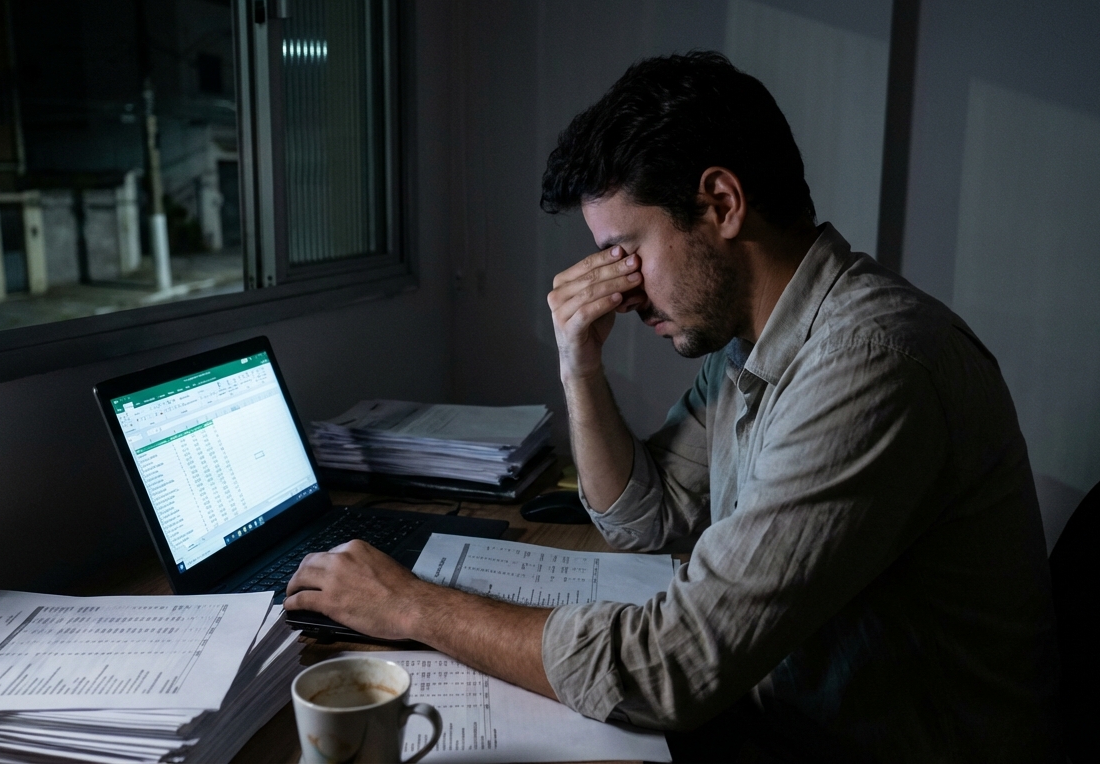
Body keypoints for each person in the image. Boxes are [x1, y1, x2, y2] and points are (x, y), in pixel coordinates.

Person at [285, 51, 1059, 762]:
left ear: (721, 203)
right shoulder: (750, 345)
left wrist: (414, 608)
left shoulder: (870, 366)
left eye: (627, 251)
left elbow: (670, 671)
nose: (618, 291)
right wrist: (579, 363)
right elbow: (644, 519)